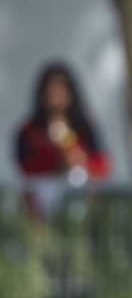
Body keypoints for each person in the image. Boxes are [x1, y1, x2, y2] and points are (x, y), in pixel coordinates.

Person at [12, 61, 111, 215]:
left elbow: (102, 165)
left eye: (61, 87)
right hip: (42, 206)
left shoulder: (85, 126)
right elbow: (25, 169)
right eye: (50, 89)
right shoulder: (29, 131)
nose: (56, 93)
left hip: (82, 203)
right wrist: (55, 159)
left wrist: (78, 158)